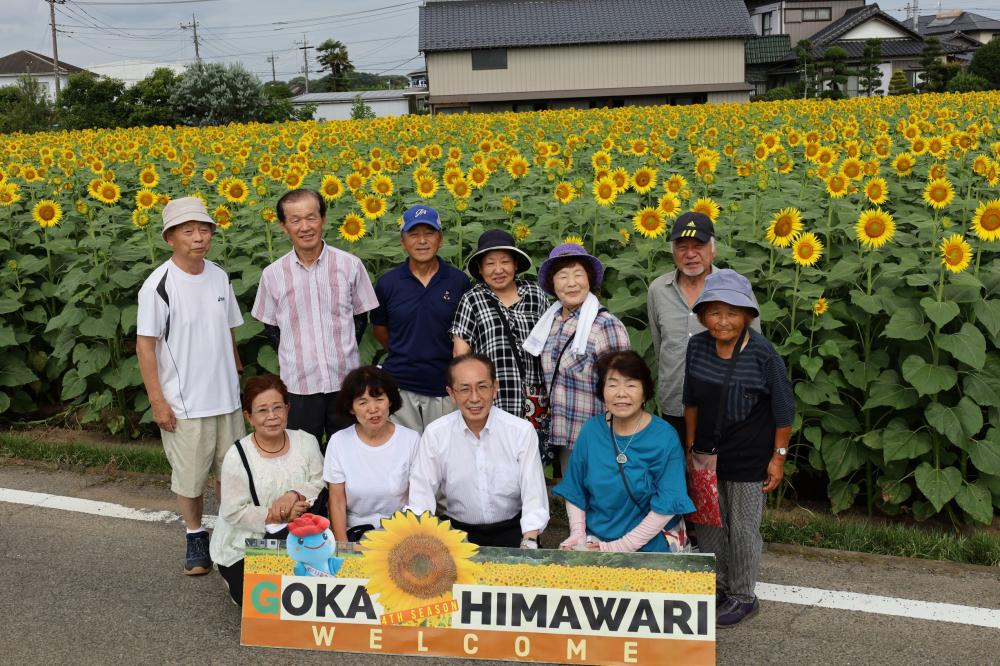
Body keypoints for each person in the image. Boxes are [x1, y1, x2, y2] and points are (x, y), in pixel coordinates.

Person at [136, 196, 245, 576]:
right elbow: (145, 346)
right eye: (189, 231)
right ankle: (195, 535)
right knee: (191, 476)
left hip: (226, 398)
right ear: (170, 237)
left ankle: (231, 533)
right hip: (186, 402)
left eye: (204, 229)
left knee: (231, 473)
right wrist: (157, 401)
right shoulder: (158, 286)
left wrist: (235, 367)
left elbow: (229, 328)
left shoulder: (219, 275)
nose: (199, 237)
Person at [683, 269, 794, 627]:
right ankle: (716, 587)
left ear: (747, 315)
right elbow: (691, 401)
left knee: (743, 528)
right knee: (710, 524)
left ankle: (744, 595)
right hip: (706, 454)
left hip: (749, 456)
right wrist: (690, 447)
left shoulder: (763, 354)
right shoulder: (696, 346)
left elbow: (784, 409)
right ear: (703, 315)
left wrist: (778, 458)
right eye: (714, 312)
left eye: (732, 312)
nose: (723, 321)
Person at [252, 188, 378, 449]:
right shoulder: (273, 275)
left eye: (311, 217)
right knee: (301, 455)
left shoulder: (349, 265)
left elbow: (360, 319)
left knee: (348, 453)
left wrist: (341, 350)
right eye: (295, 220)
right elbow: (271, 328)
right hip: (298, 384)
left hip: (345, 381)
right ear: (283, 226)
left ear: (324, 219)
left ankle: (340, 493)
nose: (305, 227)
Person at [553, 351, 694, 553]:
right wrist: (578, 534)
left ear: (645, 392)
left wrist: (618, 547)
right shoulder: (591, 431)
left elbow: (667, 505)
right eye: (612, 384)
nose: (621, 393)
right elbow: (575, 490)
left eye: (631, 385)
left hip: (652, 546)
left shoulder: (665, 438)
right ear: (602, 390)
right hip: (597, 541)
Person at [407, 353, 549, 548]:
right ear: (451, 394)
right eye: (464, 389)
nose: (474, 398)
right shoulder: (435, 434)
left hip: (513, 530)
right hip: (457, 532)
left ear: (495, 388)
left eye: (482, 387)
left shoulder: (520, 431)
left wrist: (530, 540)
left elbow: (534, 494)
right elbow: (421, 495)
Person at [210, 374, 325, 606]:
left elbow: (321, 481)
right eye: (262, 410)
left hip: (301, 535)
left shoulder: (306, 441)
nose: (272, 417)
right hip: (248, 540)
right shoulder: (238, 455)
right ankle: (232, 577)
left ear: (288, 409)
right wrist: (277, 515)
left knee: (312, 597)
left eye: (277, 408)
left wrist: (294, 495)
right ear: (249, 416)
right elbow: (233, 512)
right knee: (262, 602)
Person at [648, 212, 760, 436]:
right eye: (682, 247)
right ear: (673, 252)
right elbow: (660, 347)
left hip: (724, 408)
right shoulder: (658, 290)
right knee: (677, 468)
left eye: (698, 245)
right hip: (674, 405)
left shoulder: (735, 289)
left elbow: (754, 349)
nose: (690, 254)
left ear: (713, 248)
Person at [523, 244, 630, 472]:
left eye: (578, 274)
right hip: (565, 434)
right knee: (574, 500)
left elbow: (623, 386)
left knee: (603, 499)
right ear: (553, 284)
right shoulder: (548, 324)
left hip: (599, 438)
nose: (571, 283)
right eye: (563, 276)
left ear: (589, 280)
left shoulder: (605, 325)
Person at [371, 205, 470, 433]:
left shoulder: (458, 281)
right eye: (414, 234)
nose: (422, 241)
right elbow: (379, 329)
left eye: (429, 233)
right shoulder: (388, 283)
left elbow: (466, 330)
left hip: (444, 386)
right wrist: (406, 349)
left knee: (444, 455)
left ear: (441, 239)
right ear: (403, 242)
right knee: (404, 456)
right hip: (400, 386)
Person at [450, 229, 549, 423]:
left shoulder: (535, 294)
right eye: (490, 263)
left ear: (515, 264)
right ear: (480, 268)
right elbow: (460, 354)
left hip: (535, 399)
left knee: (534, 451)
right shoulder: (472, 299)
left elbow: (551, 341)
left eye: (505, 261)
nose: (498, 270)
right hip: (492, 400)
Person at [324, 366, 420, 543]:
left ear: (390, 401)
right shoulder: (339, 442)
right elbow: (336, 501)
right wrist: (343, 547)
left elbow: (418, 498)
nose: (373, 409)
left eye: (379, 399)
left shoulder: (411, 440)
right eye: (362, 402)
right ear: (351, 408)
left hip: (402, 533)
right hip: (355, 532)